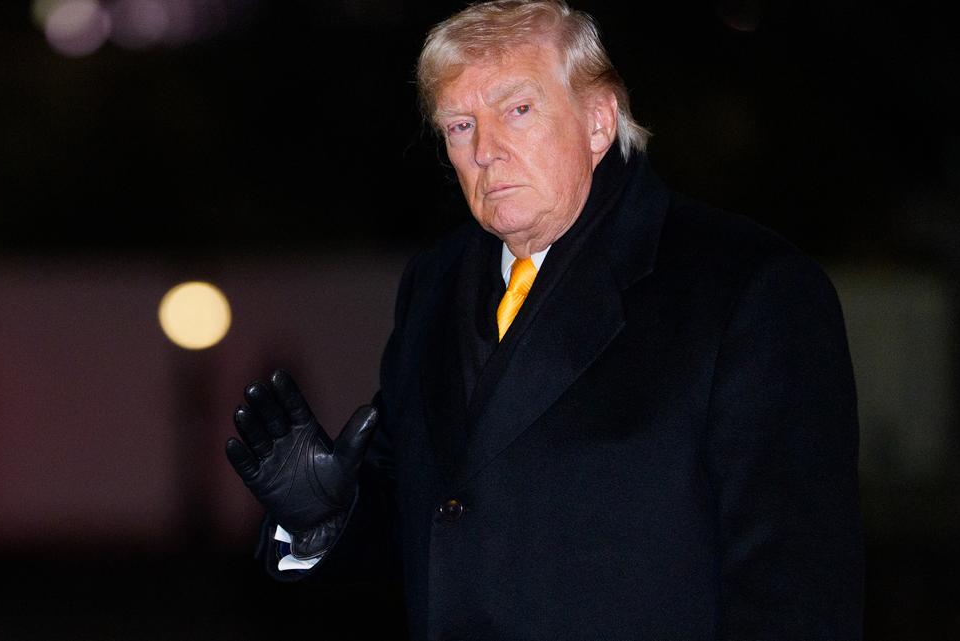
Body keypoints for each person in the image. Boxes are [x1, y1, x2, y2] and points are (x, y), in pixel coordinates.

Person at [226, 1, 864, 639]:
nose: (485, 151)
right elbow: (437, 524)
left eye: (517, 110)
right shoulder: (435, 284)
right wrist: (325, 520)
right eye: (459, 125)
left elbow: (796, 591)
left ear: (597, 121)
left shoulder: (749, 289)